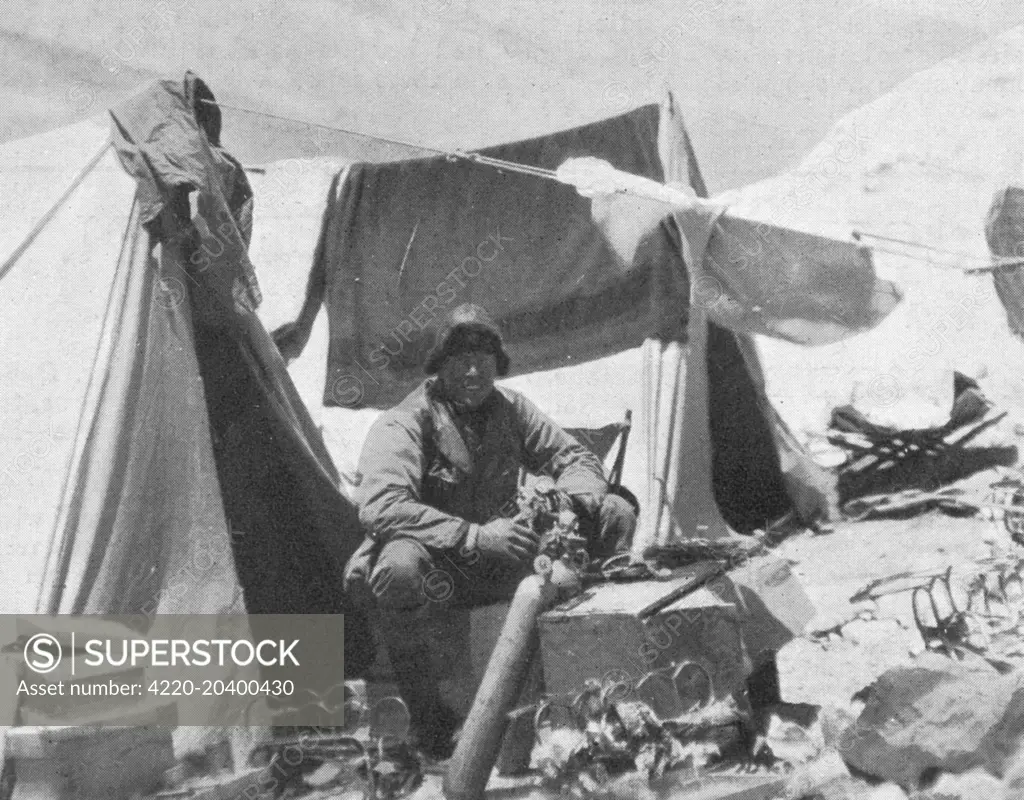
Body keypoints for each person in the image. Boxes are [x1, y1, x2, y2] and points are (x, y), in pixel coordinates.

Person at [347, 303, 636, 758]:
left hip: (505, 559)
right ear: (439, 366)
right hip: (440, 570)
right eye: (460, 357)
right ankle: (431, 724)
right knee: (396, 568)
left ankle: (605, 691)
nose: (474, 368)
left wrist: (566, 502)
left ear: (498, 365)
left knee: (615, 512)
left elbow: (577, 460)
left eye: (484, 357)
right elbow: (382, 506)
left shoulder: (512, 409)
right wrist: (474, 536)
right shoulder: (404, 422)